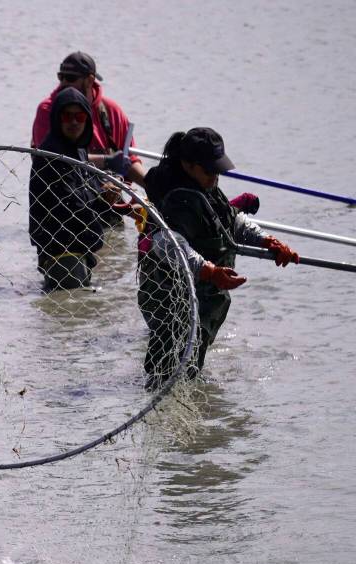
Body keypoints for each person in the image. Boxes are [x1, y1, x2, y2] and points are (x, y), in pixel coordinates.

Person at [137, 127, 298, 387]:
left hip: (205, 293)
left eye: (218, 170)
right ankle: (162, 402)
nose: (215, 177)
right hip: (171, 293)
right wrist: (209, 270)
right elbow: (167, 243)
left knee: (190, 358)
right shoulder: (179, 198)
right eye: (209, 171)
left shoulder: (205, 185)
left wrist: (267, 241)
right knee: (170, 365)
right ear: (187, 164)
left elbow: (229, 221)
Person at [29, 87, 125, 290]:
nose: (74, 122)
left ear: (87, 119)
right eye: (67, 116)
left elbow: (85, 193)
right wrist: (101, 200)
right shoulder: (52, 154)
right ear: (57, 118)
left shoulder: (78, 150)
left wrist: (109, 199)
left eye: (80, 116)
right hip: (62, 253)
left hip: (78, 247)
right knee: (70, 310)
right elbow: (68, 205)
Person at [31, 51, 145, 186]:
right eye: (61, 77)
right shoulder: (48, 110)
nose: (63, 83)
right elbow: (56, 159)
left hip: (110, 196)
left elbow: (128, 161)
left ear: (90, 80)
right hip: (64, 190)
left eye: (71, 78)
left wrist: (153, 188)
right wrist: (108, 161)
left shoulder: (111, 110)